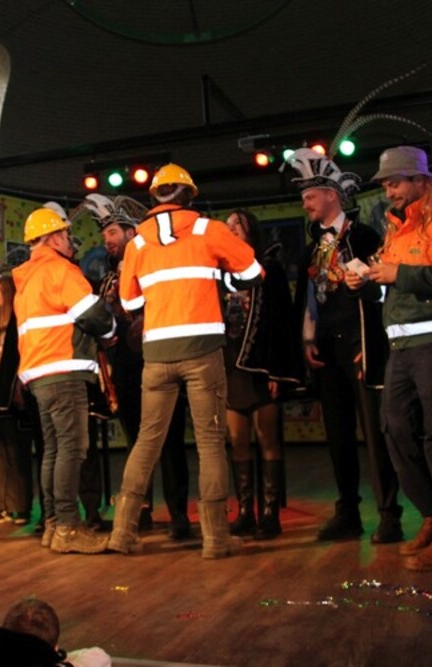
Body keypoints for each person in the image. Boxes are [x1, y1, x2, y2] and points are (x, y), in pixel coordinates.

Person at [108, 164, 262, 559]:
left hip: (156, 354)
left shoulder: (137, 243)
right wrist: (220, 278)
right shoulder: (209, 229)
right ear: (189, 195)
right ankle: (215, 539)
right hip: (202, 351)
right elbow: (253, 272)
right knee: (210, 442)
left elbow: (129, 302)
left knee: (146, 440)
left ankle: (122, 533)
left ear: (153, 198)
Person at [360, 146, 432, 571]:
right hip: (402, 344)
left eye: (394, 183)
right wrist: (369, 281)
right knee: (396, 431)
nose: (388, 191)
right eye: (385, 185)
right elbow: (395, 290)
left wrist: (398, 274)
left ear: (418, 180)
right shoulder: (397, 228)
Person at [285, 147, 403, 544]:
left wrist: (373, 343)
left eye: (310, 196)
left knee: (375, 435)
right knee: (337, 436)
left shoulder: (364, 236)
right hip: (327, 352)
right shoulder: (312, 247)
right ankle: (347, 512)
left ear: (331, 195)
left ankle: (389, 514)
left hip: (359, 347)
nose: (305, 203)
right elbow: (308, 300)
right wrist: (307, 340)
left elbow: (382, 294)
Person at [86, 193, 191, 539]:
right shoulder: (108, 278)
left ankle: (178, 514)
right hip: (127, 370)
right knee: (136, 440)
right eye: (104, 234)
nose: (106, 240)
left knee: (170, 439)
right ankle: (141, 510)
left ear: (131, 232)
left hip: (161, 359)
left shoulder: (156, 264)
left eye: (112, 232)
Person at [13, 207, 115, 554]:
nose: (71, 242)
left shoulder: (26, 280)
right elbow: (94, 316)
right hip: (63, 369)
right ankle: (69, 528)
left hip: (39, 375)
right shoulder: (61, 270)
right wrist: (111, 330)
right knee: (72, 448)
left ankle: (55, 524)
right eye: (66, 235)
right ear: (54, 238)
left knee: (53, 450)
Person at [223, 209, 302, 540]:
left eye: (236, 224)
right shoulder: (219, 271)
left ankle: (270, 514)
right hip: (231, 366)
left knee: (267, 437)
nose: (231, 229)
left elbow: (281, 323)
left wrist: (276, 372)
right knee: (237, 439)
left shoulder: (270, 269)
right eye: (227, 225)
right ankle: (245, 511)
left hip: (261, 365)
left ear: (250, 229)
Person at [0, 272, 33, 525]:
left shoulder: (17, 325)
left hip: (11, 394)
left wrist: (2, 362)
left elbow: (22, 356)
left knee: (16, 451)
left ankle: (20, 506)